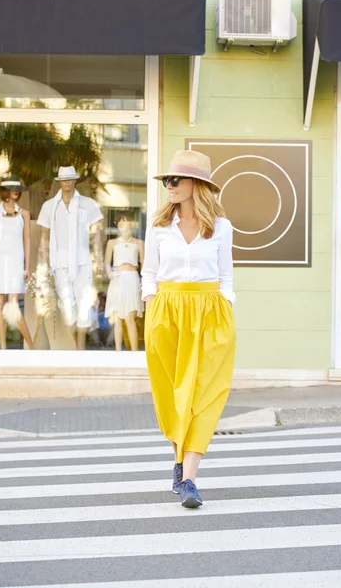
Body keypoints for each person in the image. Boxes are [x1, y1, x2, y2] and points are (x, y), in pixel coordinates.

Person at [142, 150, 236, 508]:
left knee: (205, 393)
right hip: (167, 311)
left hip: (210, 312)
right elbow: (149, 274)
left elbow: (226, 276)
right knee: (172, 394)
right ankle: (179, 464)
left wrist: (225, 309)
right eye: (167, 180)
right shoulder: (158, 227)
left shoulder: (221, 227)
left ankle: (190, 479)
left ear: (196, 185)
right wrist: (152, 306)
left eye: (175, 180)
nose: (169, 186)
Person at [37, 166, 104, 350]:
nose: (67, 183)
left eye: (70, 179)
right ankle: (76, 348)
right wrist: (42, 265)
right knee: (67, 308)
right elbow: (44, 237)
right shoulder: (49, 206)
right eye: (64, 180)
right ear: (59, 182)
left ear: (75, 180)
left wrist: (98, 259)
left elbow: (97, 233)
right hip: (59, 264)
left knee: (83, 305)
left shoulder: (88, 204)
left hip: (83, 261)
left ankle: (80, 350)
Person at [0, 177, 33, 349]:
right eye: (12, 188)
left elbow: (26, 240)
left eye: (17, 189)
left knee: (13, 306)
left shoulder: (24, 214)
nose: (16, 192)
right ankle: (3, 348)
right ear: (5, 191)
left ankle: (32, 347)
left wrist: (26, 267)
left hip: (15, 263)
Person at [104, 215, 144, 351]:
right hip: (118, 279)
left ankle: (134, 352)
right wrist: (110, 274)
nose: (124, 225)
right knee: (117, 319)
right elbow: (107, 263)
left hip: (132, 279)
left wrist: (143, 281)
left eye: (126, 222)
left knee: (130, 318)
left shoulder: (139, 243)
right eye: (121, 223)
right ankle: (118, 352)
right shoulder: (112, 243)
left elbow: (144, 264)